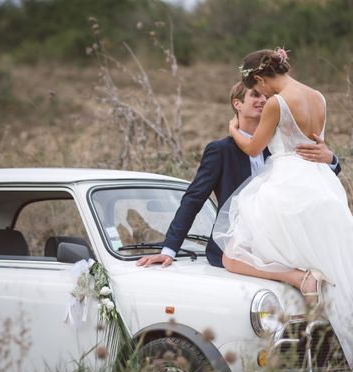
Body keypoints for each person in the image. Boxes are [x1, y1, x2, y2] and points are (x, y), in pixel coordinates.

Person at [213, 48, 353, 368]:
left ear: (260, 78)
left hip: (288, 186)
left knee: (232, 255)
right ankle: (326, 355)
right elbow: (318, 143)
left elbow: (253, 146)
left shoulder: (277, 103)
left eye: (257, 88)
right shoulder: (319, 96)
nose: (259, 95)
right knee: (337, 270)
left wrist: (234, 127)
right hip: (322, 186)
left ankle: (302, 281)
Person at [137, 80, 340, 269]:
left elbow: (313, 179)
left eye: (266, 97)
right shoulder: (220, 150)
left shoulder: (280, 148)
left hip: (281, 244)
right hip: (233, 246)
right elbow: (194, 199)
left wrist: (330, 159)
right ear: (237, 104)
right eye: (254, 95)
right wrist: (169, 249)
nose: (263, 100)